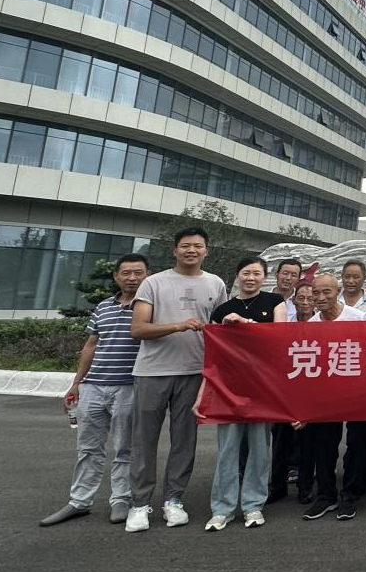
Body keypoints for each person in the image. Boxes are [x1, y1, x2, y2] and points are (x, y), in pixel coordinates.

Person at [125, 227, 228, 532]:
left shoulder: (216, 283)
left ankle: (174, 500)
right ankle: (139, 504)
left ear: (206, 251)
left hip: (194, 372)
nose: (191, 250)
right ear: (175, 250)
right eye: (185, 245)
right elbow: (138, 329)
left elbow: (220, 328)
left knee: (184, 440)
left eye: (197, 246)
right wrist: (178, 325)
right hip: (152, 371)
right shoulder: (153, 283)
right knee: (144, 440)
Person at [41, 254, 150, 527]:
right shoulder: (103, 306)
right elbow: (91, 345)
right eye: (126, 273)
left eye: (138, 272)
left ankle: (121, 499)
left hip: (129, 386)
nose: (132, 278)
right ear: (116, 276)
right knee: (88, 447)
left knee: (125, 447)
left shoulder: (149, 307)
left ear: (148, 275)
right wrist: (77, 383)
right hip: (93, 386)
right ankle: (79, 501)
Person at [202, 257, 287, 531]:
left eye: (257, 273)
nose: (251, 278)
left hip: (263, 387)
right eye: (246, 273)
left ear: (265, 277)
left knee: (260, 449)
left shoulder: (275, 302)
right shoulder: (222, 310)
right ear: (237, 275)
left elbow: (279, 340)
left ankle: (253, 505)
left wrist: (245, 322)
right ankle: (222, 508)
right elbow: (212, 355)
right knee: (227, 450)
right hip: (229, 388)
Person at [300, 275, 366, 522]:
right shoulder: (311, 324)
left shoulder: (358, 318)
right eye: (316, 292)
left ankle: (350, 494)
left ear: (337, 291)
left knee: (357, 444)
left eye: (326, 292)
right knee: (325, 446)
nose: (320, 298)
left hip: (356, 392)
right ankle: (326, 495)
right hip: (325, 395)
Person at [271, 281, 316, 503]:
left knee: (308, 443)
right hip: (285, 391)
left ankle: (305, 487)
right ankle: (277, 486)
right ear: (294, 300)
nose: (305, 302)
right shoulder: (283, 324)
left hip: (312, 393)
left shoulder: (323, 325)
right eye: (301, 298)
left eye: (310, 298)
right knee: (280, 441)